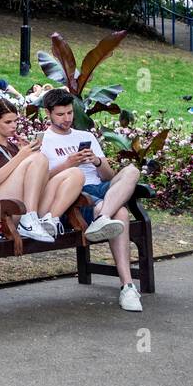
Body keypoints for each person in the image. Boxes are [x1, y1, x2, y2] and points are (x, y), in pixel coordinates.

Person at [38, 88, 145, 311]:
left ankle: (103, 216)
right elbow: (40, 183)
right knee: (122, 213)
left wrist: (96, 161)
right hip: (74, 197)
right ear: (48, 113)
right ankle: (127, 287)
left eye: (69, 113)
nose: (66, 119)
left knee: (132, 171)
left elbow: (109, 177)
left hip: (102, 190)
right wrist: (69, 164)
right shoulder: (43, 141)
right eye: (60, 114)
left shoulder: (86, 137)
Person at [0, 99, 81, 243]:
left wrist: (32, 158)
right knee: (38, 158)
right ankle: (30, 218)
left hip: (17, 206)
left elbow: (37, 182)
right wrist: (22, 157)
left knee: (75, 174)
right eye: (8, 122)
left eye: (15, 121)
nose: (14, 126)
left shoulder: (13, 147)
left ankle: (49, 220)